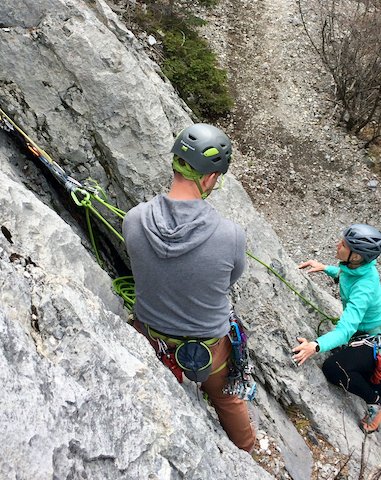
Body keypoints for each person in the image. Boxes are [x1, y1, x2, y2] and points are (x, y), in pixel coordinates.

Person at [122, 123, 256, 452]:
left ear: (175, 165)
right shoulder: (231, 235)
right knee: (230, 403)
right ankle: (246, 453)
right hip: (210, 349)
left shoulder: (134, 219)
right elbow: (228, 281)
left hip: (150, 339)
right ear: (210, 178)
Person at [292, 224, 381, 433]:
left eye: (343, 244)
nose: (337, 245)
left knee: (333, 369)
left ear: (357, 256)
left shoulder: (364, 287)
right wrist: (325, 268)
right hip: (377, 336)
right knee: (364, 368)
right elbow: (344, 273)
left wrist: (315, 346)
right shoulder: (355, 266)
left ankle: (375, 403)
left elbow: (345, 331)